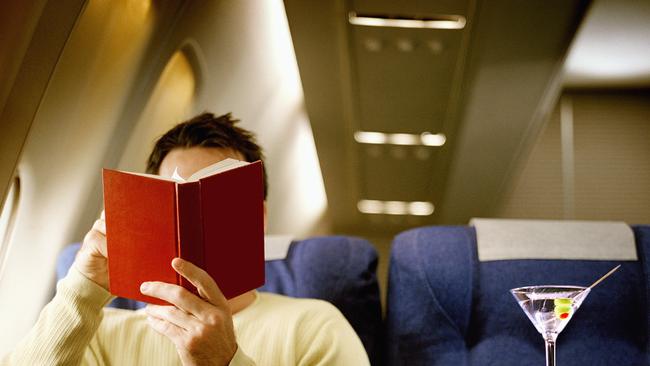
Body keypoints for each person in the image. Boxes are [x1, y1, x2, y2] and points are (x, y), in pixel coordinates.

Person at [2, 113, 370, 365]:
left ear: (258, 219)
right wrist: (82, 289)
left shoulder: (314, 325)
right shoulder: (100, 332)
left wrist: (227, 361)